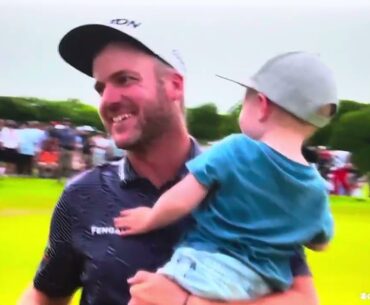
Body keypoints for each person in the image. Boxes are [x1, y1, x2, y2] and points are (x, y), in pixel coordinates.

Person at [19, 18, 319, 305]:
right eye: (101, 87)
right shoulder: (83, 195)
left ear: (175, 85)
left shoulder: (250, 185)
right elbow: (46, 293)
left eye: (124, 79)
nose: (107, 100)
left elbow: (303, 299)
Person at [114, 52, 336, 301]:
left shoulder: (237, 148)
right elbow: (320, 243)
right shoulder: (314, 186)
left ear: (262, 105)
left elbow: (181, 199)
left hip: (205, 264)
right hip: (259, 286)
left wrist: (150, 218)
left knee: (143, 297)